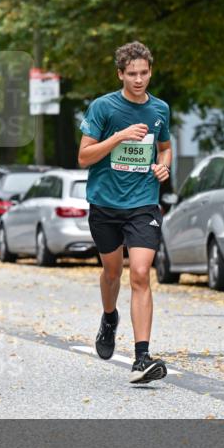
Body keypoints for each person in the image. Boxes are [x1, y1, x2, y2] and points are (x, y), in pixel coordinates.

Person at [77, 41, 172, 384]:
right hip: (105, 204)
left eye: (144, 73)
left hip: (143, 204)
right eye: (131, 74)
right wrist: (118, 137)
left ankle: (141, 357)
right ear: (120, 74)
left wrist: (164, 167)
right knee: (112, 273)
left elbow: (165, 148)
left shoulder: (160, 109)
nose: (138, 79)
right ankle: (108, 317)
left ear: (150, 71)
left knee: (141, 274)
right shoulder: (104, 108)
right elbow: (84, 157)